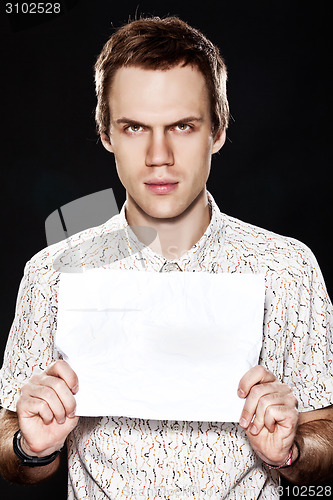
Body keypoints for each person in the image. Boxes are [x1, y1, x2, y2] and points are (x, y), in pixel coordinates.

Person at [0, 15, 332, 499]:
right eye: (134, 127)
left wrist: (292, 448)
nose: (159, 155)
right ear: (106, 135)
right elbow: (10, 447)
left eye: (182, 125)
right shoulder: (52, 273)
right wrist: (31, 445)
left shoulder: (286, 268)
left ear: (216, 132)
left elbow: (326, 433)